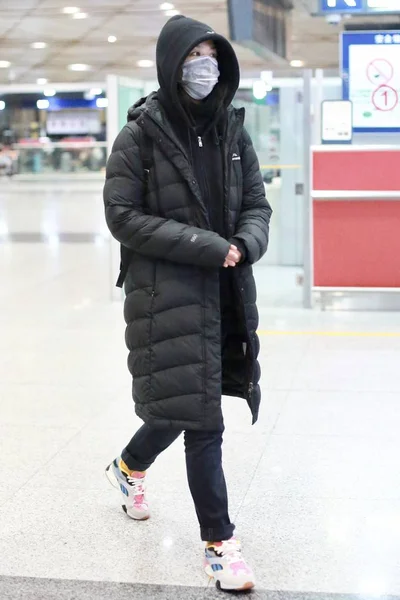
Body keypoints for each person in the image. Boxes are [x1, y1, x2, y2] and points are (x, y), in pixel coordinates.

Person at [103, 14, 272, 592]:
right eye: (194, 54)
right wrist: (208, 247)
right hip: (166, 297)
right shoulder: (140, 136)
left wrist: (246, 243)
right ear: (173, 62)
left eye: (212, 53)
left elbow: (257, 203)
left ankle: (127, 468)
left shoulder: (232, 131)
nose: (206, 64)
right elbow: (121, 217)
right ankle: (220, 544)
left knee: (181, 406)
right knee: (203, 421)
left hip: (225, 292)